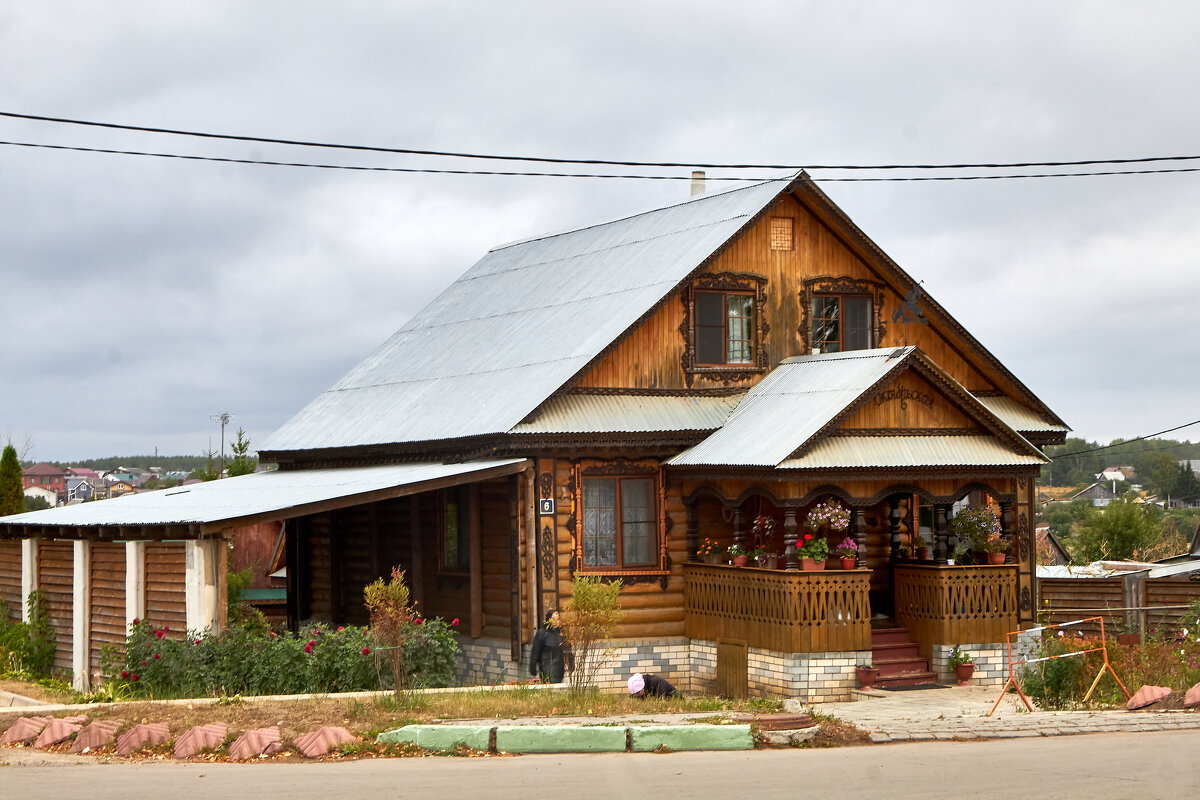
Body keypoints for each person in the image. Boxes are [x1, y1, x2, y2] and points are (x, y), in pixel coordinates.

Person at [529, 609, 566, 683]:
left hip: (559, 669)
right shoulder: (542, 633)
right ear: (549, 620)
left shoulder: (561, 634)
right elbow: (535, 652)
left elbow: (567, 650)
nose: (556, 621)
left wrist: (571, 663)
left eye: (558, 619)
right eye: (553, 619)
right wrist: (533, 668)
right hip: (547, 669)